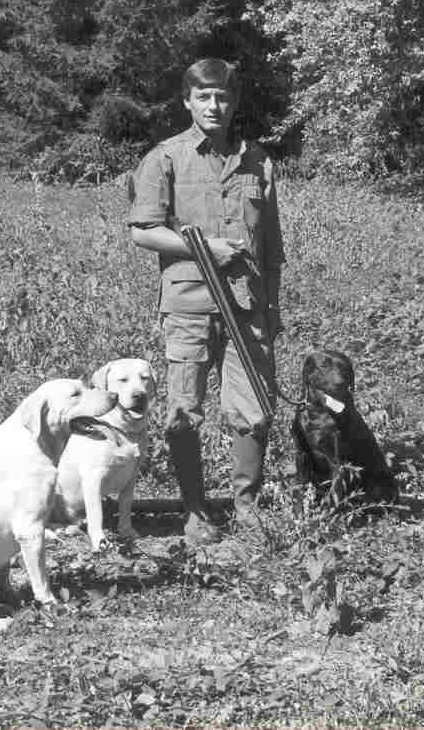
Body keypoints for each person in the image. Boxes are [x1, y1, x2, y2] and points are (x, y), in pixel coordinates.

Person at [128, 58, 285, 545]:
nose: (214, 106)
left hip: (248, 305)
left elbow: (272, 248)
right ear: (188, 101)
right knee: (184, 409)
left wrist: (273, 308)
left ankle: (247, 507)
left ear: (234, 101)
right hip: (189, 303)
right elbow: (143, 231)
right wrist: (204, 249)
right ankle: (196, 511)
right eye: (204, 97)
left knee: (253, 407)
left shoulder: (257, 160)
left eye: (222, 97)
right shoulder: (165, 158)